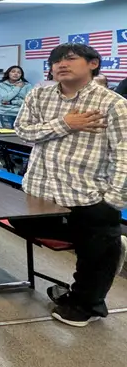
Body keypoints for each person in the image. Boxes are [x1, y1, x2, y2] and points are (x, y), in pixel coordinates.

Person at [12, 43, 127, 327]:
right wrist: (65, 123)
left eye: (70, 58)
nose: (61, 64)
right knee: (22, 223)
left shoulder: (113, 104)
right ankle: (108, 243)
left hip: (86, 195)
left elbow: (124, 154)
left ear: (93, 63)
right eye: (55, 61)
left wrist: (112, 200)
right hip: (38, 192)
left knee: (96, 246)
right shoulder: (39, 94)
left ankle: (85, 303)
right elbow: (23, 130)